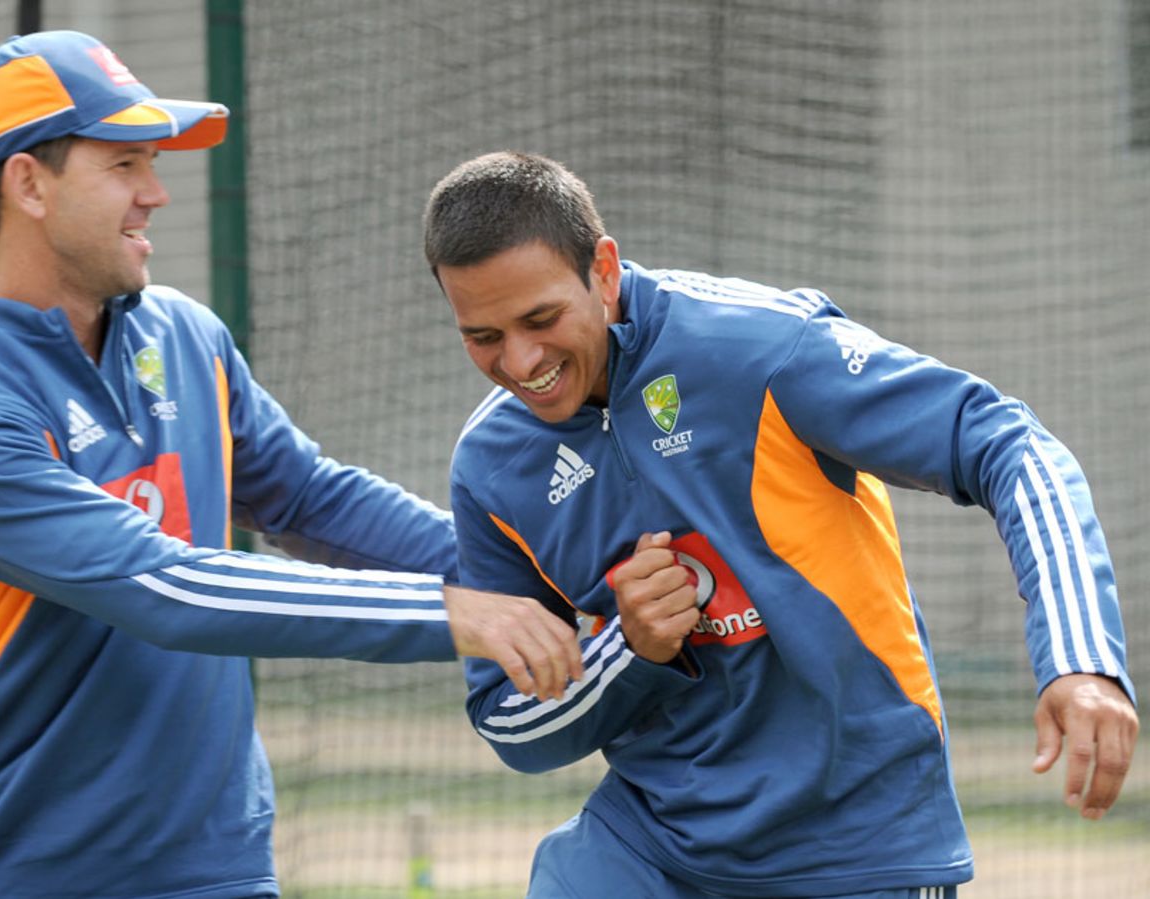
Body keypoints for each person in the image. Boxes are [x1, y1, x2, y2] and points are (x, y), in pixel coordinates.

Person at [0, 35, 583, 899]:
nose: (156, 192)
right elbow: (162, 586)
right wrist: (456, 613)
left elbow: (309, 499)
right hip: (12, 877)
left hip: (218, 868)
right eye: (125, 164)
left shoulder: (183, 333)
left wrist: (538, 578)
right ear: (28, 184)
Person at [422, 151, 1139, 899]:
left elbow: (1009, 446)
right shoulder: (491, 466)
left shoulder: (760, 348)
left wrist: (1080, 657)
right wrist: (628, 650)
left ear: (603, 271)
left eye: (541, 319)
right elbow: (512, 724)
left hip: (860, 848)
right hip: (650, 847)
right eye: (483, 336)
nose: (522, 360)